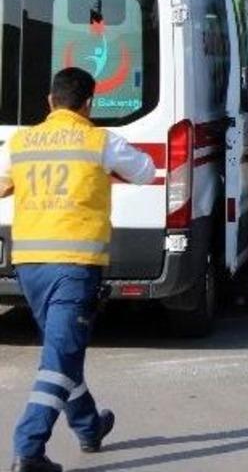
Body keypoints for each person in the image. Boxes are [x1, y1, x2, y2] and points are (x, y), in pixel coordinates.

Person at [3, 68, 155, 472]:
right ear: (90, 103)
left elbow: (3, 184)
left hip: (29, 265)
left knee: (62, 350)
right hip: (74, 265)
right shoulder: (99, 141)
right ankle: (28, 449)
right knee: (59, 358)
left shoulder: (21, 142)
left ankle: (89, 427)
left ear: (50, 101)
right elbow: (146, 171)